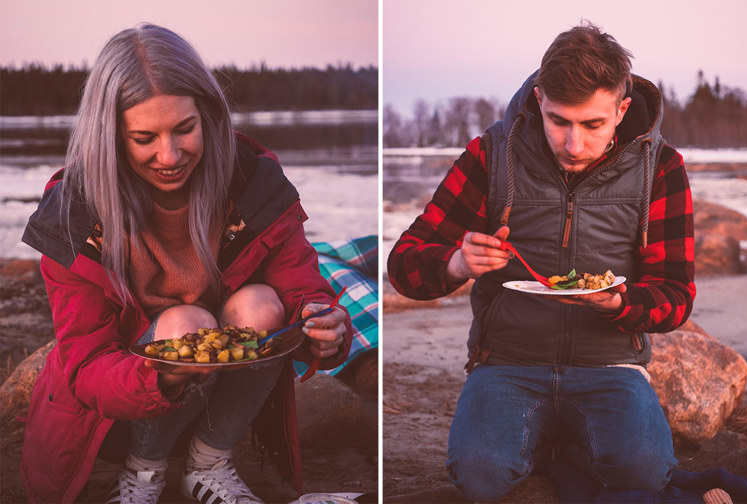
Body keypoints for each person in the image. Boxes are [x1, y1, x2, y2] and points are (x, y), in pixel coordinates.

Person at [20, 23, 351, 504]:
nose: (169, 156)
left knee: (261, 306)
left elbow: (301, 285)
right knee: (185, 323)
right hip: (115, 414)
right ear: (108, 135)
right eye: (143, 138)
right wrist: (160, 374)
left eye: (184, 129)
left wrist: (322, 320)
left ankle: (209, 462)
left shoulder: (252, 182)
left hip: (225, 397)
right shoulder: (72, 215)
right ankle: (141, 473)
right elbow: (86, 363)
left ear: (209, 116)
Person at [387, 22, 695, 502]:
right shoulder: (491, 154)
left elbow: (676, 297)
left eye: (592, 124)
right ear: (538, 99)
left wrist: (620, 304)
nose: (573, 144)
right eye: (558, 121)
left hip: (611, 365)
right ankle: (553, 447)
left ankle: (565, 448)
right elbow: (403, 266)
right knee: (479, 477)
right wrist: (455, 264)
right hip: (506, 363)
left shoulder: (661, 167)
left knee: (646, 474)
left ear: (621, 109)